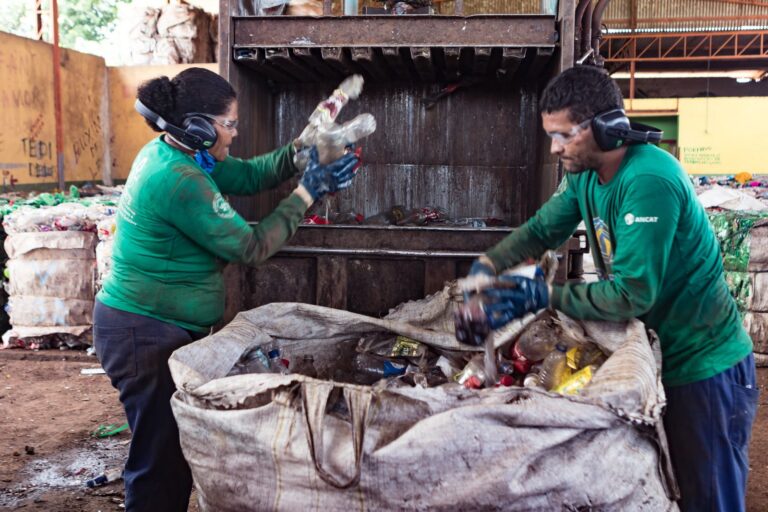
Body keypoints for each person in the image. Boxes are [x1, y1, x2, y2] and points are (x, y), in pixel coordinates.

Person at [456, 65, 758, 512]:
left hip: (702, 366)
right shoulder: (584, 174)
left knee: (708, 497)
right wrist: (486, 267)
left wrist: (543, 296)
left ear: (607, 127)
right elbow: (542, 230)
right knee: (669, 487)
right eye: (551, 136)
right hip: (657, 359)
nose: (555, 148)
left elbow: (632, 295)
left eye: (564, 135)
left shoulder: (648, 180)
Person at [94, 67, 360, 512]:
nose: (235, 134)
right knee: (158, 460)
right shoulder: (181, 179)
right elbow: (252, 247)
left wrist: (302, 150)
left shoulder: (181, 152)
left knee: (172, 451)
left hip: (154, 326)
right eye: (230, 124)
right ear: (199, 127)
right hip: (143, 331)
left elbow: (252, 175)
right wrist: (308, 191)